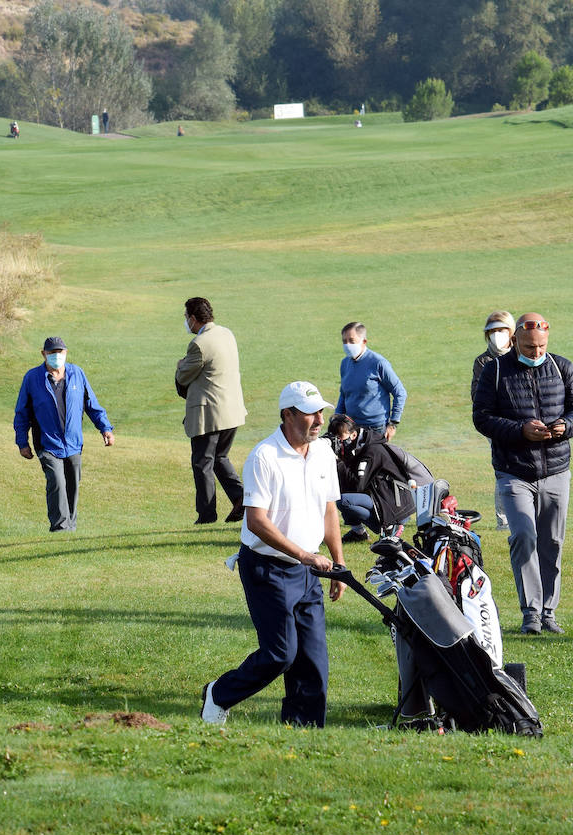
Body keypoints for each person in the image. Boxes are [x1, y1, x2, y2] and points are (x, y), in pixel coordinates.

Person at [200, 381, 347, 728]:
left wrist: (337, 561)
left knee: (313, 661)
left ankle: (302, 732)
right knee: (281, 653)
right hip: (267, 569)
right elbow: (257, 521)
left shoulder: (323, 452)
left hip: (307, 571)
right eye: (311, 413)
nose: (319, 420)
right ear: (288, 414)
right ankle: (219, 694)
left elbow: (329, 510)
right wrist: (306, 556)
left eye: (321, 412)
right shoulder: (264, 456)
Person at [472, 314, 573, 635]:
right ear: (514, 341)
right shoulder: (494, 371)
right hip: (513, 471)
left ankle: (549, 612)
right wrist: (520, 430)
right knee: (523, 536)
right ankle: (531, 613)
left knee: (552, 541)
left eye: (541, 346)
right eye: (529, 347)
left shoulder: (562, 367)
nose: (536, 352)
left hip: (556, 469)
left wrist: (566, 426)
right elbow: (481, 418)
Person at [13, 337, 115, 532]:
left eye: (60, 352)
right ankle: (60, 528)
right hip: (47, 443)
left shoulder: (77, 374)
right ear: (43, 354)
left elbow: (91, 405)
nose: (56, 356)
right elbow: (22, 413)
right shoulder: (32, 378)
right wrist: (22, 442)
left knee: (72, 485)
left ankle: (70, 527)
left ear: (66, 353)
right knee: (57, 482)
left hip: (73, 443)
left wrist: (105, 429)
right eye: (52, 353)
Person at [175, 297, 247, 525]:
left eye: (186, 317)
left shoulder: (199, 344)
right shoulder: (227, 333)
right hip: (232, 411)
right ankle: (241, 498)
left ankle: (206, 516)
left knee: (202, 463)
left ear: (194, 319)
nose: (186, 322)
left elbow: (183, 375)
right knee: (220, 457)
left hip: (209, 415)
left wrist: (179, 365)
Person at [327, 414, 431, 541]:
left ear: (353, 435)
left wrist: (338, 462)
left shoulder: (371, 450)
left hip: (394, 503)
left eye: (340, 437)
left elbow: (357, 485)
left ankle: (389, 527)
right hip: (382, 495)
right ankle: (358, 533)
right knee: (341, 491)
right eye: (334, 438)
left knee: (344, 501)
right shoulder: (358, 445)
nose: (337, 441)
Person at [471, 310, 516, 531]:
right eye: (493, 331)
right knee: (503, 471)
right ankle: (504, 521)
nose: (497, 335)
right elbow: (479, 397)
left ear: (511, 332)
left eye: (502, 330)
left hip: (522, 425)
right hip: (497, 427)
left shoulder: (521, 355)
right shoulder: (482, 362)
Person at [335, 321, 406, 441]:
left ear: (364, 341)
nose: (347, 345)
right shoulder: (345, 364)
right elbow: (344, 393)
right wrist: (337, 417)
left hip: (376, 429)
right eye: (344, 341)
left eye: (351, 341)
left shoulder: (378, 363)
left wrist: (393, 423)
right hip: (350, 428)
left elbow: (400, 392)